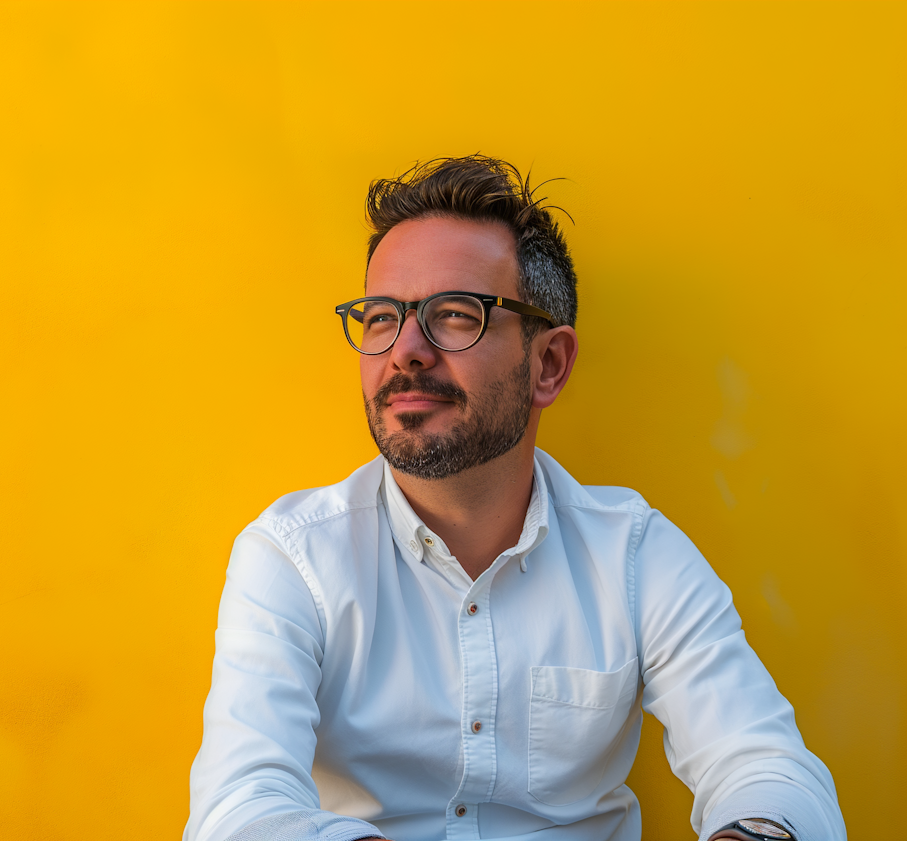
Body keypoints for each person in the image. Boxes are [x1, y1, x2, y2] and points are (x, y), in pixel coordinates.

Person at [183, 156, 844, 841]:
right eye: (381, 317)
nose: (405, 350)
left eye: (455, 315)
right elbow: (240, 807)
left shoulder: (635, 556)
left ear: (548, 364)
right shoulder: (293, 559)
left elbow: (765, 765)